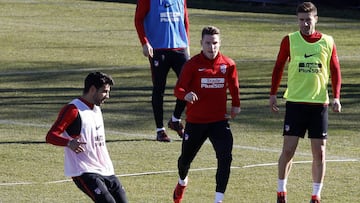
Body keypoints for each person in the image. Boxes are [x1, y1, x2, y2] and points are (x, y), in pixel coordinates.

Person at [269, 2, 342, 203]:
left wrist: (336, 96)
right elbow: (278, 67)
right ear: (297, 20)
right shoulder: (289, 40)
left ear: (316, 19)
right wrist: (273, 93)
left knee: (319, 154)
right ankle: (281, 191)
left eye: (308, 20)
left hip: (319, 105)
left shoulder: (327, 41)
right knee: (288, 151)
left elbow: (335, 70)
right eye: (301, 20)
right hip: (295, 103)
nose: (305, 24)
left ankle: (316, 195)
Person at [172, 26, 241, 203]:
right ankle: (182, 181)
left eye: (215, 43)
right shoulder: (192, 64)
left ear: (220, 43)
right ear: (201, 43)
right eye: (208, 43)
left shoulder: (228, 64)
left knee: (225, 158)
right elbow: (178, 89)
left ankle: (218, 199)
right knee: (184, 161)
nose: (212, 47)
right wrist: (185, 94)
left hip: (219, 122)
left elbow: (234, 87)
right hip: (196, 122)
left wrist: (235, 105)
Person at [46, 72, 128, 203]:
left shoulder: (96, 108)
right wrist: (68, 143)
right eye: (105, 92)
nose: (108, 96)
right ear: (92, 89)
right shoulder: (72, 110)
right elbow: (50, 136)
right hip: (84, 171)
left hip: (106, 169)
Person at [134, 0, 190, 142]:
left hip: (180, 48)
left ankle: (175, 120)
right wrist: (144, 42)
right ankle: (160, 130)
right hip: (158, 49)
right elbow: (138, 19)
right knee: (159, 88)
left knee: (189, 84)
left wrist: (187, 43)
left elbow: (185, 19)